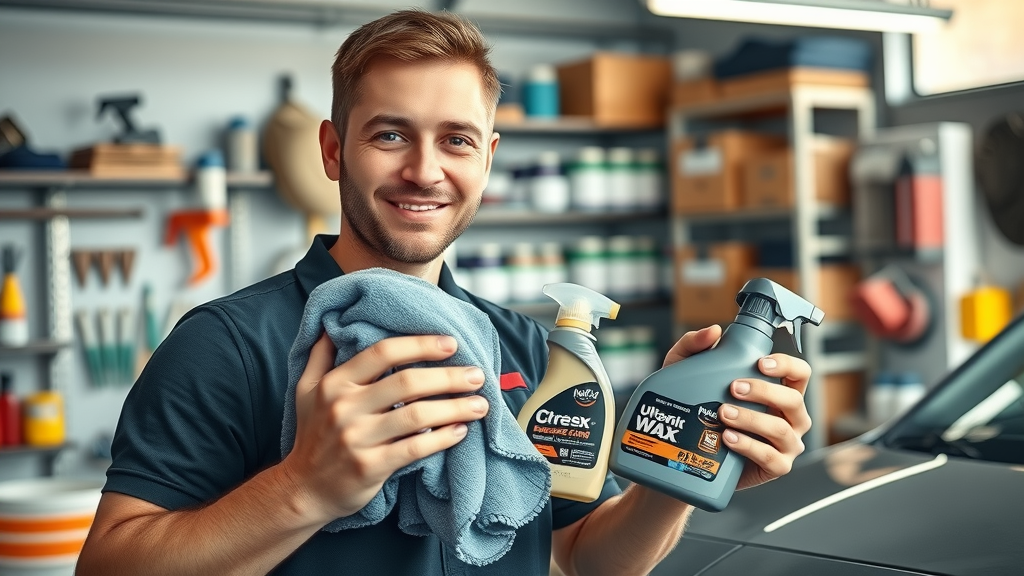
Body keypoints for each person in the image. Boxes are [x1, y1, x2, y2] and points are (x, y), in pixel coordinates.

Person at [77, 9, 813, 576]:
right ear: (334, 151)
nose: (425, 171)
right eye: (390, 136)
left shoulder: (532, 350)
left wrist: (677, 471)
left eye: (456, 140)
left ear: (488, 159)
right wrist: (305, 486)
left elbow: (586, 557)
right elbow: (109, 566)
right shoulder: (227, 346)